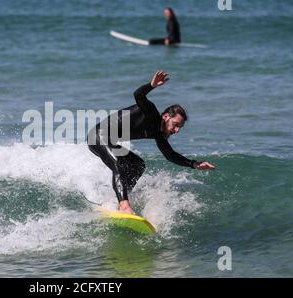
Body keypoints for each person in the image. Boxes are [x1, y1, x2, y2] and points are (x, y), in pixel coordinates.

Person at [87, 71, 215, 214]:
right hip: (98, 137)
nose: (177, 130)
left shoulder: (159, 134)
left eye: (180, 127)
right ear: (166, 116)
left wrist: (194, 164)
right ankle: (124, 205)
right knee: (120, 165)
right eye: (176, 124)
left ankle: (119, 199)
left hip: (110, 141)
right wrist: (151, 85)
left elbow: (170, 155)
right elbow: (138, 95)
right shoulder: (151, 112)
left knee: (138, 165)